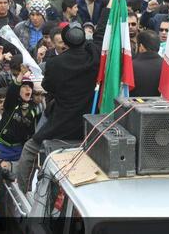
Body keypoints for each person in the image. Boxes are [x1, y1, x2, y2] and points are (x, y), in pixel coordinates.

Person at [15, 19, 104, 192]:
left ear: (65, 41)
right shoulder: (94, 55)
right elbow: (100, 35)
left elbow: (48, 86)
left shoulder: (56, 63)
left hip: (63, 122)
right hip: (90, 121)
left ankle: (23, 191)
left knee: (30, 148)